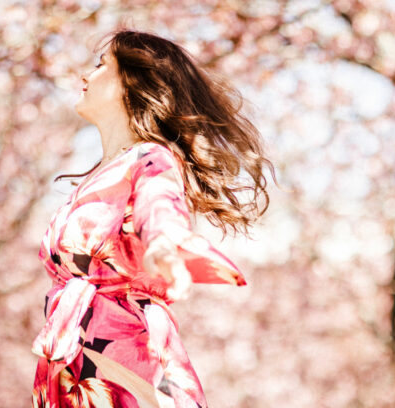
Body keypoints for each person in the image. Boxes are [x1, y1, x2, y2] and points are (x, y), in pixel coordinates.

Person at [31, 29, 275, 407]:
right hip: (73, 365)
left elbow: (159, 203)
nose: (85, 76)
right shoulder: (98, 176)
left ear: (131, 81)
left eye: (100, 66)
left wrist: (163, 242)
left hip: (125, 361)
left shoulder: (152, 158)